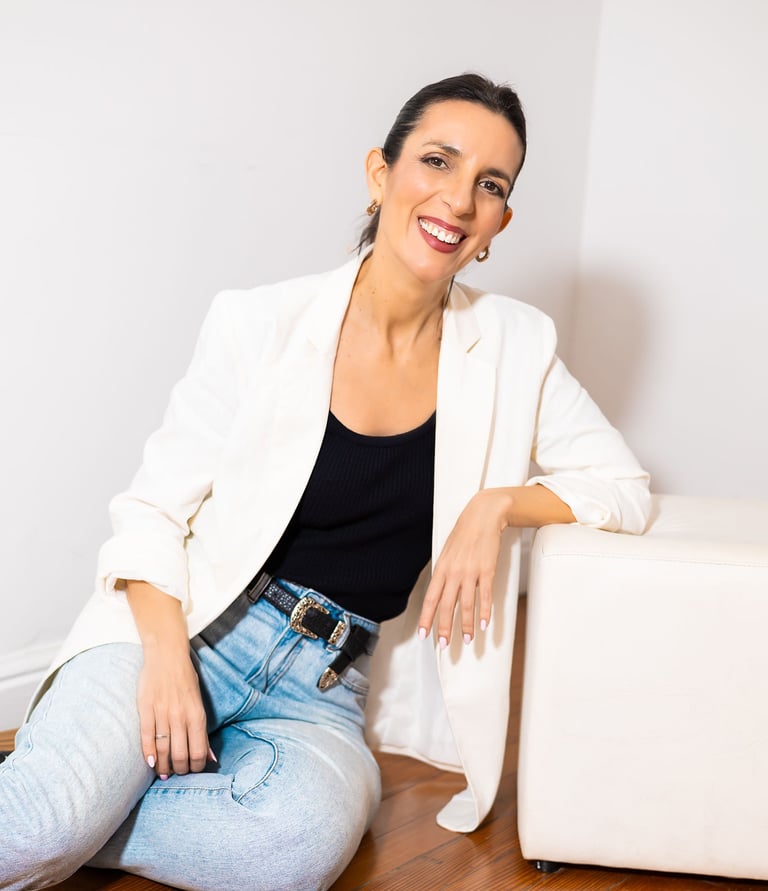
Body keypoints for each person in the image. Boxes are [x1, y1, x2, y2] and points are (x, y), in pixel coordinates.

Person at [0, 73, 650, 891]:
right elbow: (151, 511)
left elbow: (623, 486)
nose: (458, 199)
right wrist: (166, 660)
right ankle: (63, 810)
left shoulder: (518, 345)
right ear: (380, 173)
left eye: (490, 185)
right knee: (35, 829)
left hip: (324, 687)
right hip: (188, 626)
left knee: (294, 850)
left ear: (499, 224)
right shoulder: (259, 322)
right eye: (438, 161)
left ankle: (84, 809)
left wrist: (497, 506)